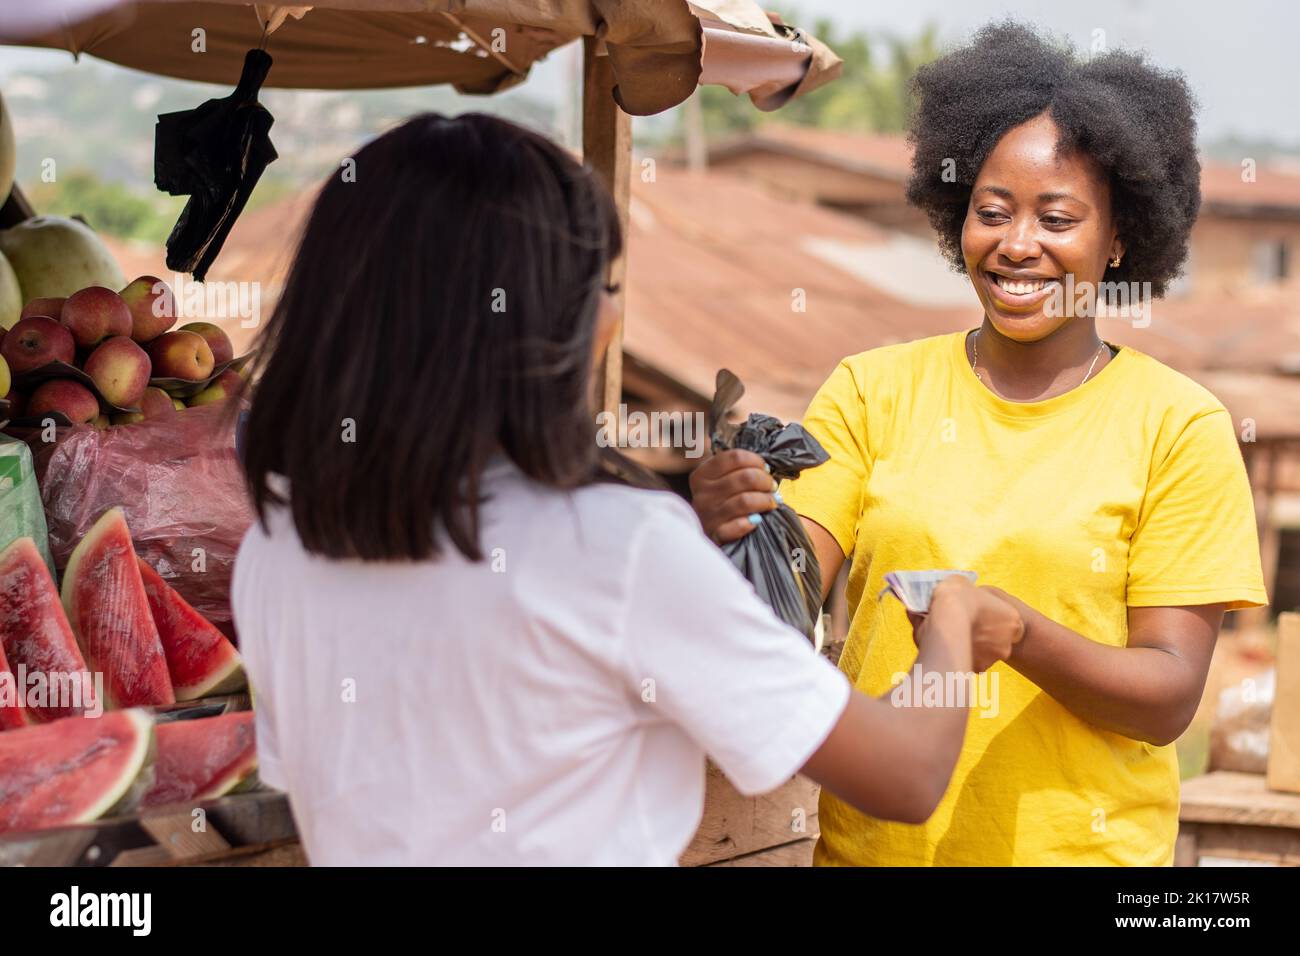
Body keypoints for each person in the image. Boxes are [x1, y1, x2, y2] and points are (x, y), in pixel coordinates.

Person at [231, 112, 1023, 866]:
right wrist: (950, 627)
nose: (612, 318)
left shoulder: (278, 539)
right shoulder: (614, 544)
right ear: (541, 322)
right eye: (600, 288)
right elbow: (907, 774)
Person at [692, 21, 1269, 866]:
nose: (1017, 244)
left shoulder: (1177, 426)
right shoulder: (871, 388)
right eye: (991, 213)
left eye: (1057, 217)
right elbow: (788, 588)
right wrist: (733, 529)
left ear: (1117, 241)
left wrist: (1018, 635)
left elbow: (1169, 697)